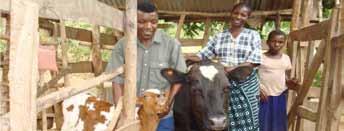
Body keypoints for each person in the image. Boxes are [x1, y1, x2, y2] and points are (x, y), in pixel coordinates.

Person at [105, 2, 187, 131]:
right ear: (132, 21)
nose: (148, 26)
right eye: (141, 22)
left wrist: (168, 104)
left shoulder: (171, 45)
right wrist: (121, 113)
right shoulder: (122, 46)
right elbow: (117, 82)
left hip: (161, 116)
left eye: (153, 22)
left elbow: (179, 79)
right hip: (133, 116)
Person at [187, 2, 262, 131]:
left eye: (243, 15)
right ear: (231, 14)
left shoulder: (253, 35)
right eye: (236, 13)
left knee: (249, 117)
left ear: (247, 17)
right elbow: (203, 55)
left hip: (245, 80)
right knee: (219, 111)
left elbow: (253, 61)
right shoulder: (219, 36)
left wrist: (229, 69)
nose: (238, 17)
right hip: (223, 82)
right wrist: (186, 59)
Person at [258, 30, 299, 131]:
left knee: (278, 124)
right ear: (268, 42)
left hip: (280, 95)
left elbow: (283, 75)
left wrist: (291, 82)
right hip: (263, 96)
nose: (276, 44)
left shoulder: (286, 59)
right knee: (262, 123)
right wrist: (258, 89)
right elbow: (251, 75)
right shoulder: (260, 57)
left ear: (284, 44)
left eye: (280, 42)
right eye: (273, 41)